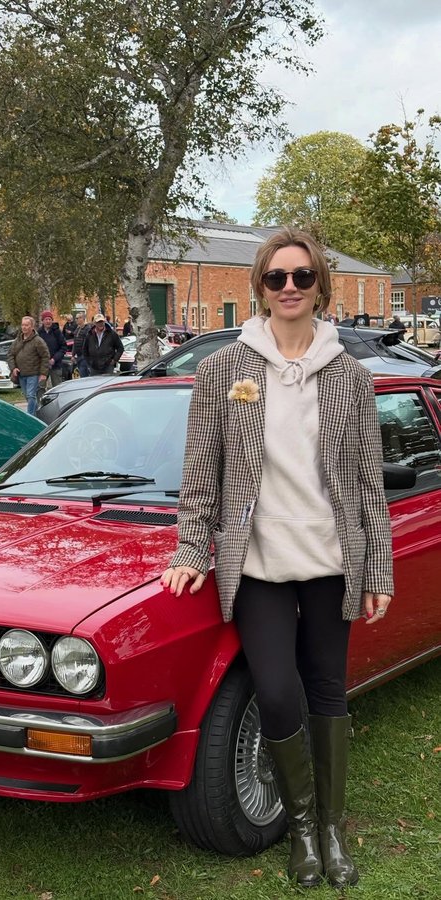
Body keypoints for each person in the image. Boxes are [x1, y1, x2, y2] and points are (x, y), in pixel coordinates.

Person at [161, 228, 393, 890]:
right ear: (258, 286)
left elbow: (366, 484)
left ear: (319, 284)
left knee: (326, 689)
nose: (288, 288)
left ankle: (328, 831)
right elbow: (200, 473)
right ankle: (298, 825)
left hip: (330, 558)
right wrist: (189, 548)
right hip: (257, 562)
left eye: (301, 276)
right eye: (275, 278)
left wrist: (376, 569)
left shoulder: (350, 377)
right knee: (276, 690)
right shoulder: (221, 370)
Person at [7, 316, 49, 416]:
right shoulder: (18, 340)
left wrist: (43, 373)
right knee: (28, 396)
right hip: (21, 374)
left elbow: (45, 356)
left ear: (32, 326)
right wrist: (13, 368)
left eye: (27, 325)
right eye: (23, 325)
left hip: (33, 374)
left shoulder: (38, 341)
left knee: (31, 395)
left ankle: (30, 416)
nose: (24, 327)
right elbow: (10, 355)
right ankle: (36, 414)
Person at [37, 311, 67, 388]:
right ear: (42, 321)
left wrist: (54, 359)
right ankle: (41, 400)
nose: (48, 321)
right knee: (39, 387)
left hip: (56, 365)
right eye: (46, 319)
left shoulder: (57, 332)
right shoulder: (38, 333)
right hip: (42, 366)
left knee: (57, 388)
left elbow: (63, 347)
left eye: (50, 319)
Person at [72, 311, 92, 377]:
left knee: (84, 374)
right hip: (79, 356)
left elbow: (87, 343)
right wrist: (73, 355)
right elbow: (75, 343)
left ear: (83, 319)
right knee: (81, 373)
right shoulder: (77, 329)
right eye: (76, 318)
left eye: (78, 318)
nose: (76, 320)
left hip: (85, 356)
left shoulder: (87, 329)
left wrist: (85, 354)